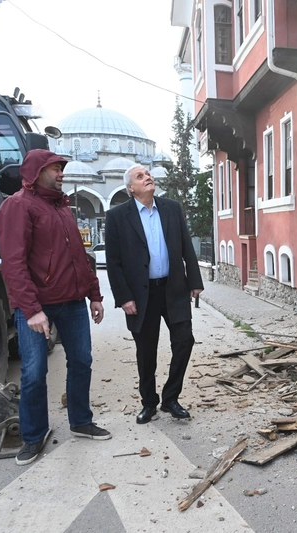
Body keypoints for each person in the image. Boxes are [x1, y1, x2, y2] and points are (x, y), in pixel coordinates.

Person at [0, 149, 111, 466]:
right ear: (36, 171)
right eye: (55, 168)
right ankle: (34, 436)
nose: (61, 173)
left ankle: (81, 421)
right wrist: (31, 310)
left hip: (72, 302)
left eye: (62, 168)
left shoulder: (61, 208)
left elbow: (79, 258)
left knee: (82, 362)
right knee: (34, 372)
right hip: (37, 306)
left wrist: (95, 295)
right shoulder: (18, 206)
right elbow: (14, 264)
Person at [105, 164, 203, 424]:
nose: (147, 177)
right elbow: (113, 263)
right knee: (146, 351)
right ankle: (149, 402)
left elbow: (186, 247)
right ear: (131, 188)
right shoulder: (117, 217)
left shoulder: (171, 208)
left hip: (174, 290)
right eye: (140, 176)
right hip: (141, 296)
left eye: (147, 174)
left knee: (184, 341)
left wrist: (195, 281)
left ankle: (171, 398)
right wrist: (124, 298)